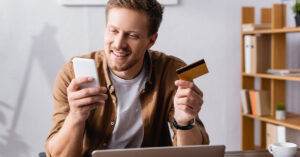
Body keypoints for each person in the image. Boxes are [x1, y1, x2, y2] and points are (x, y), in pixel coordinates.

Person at [45, 0, 209, 157]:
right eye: (113, 31)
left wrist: (184, 122)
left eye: (132, 35)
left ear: (151, 40)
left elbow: (193, 153)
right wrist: (76, 117)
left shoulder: (172, 73)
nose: (118, 44)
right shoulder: (72, 74)